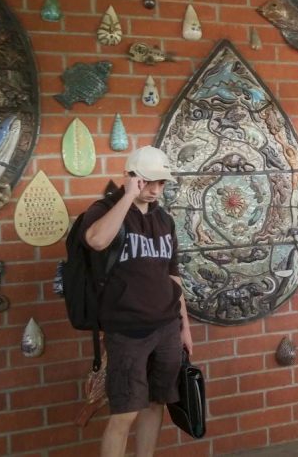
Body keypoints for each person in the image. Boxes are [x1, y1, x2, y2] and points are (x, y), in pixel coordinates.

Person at [79, 146, 193, 457]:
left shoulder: (164, 220)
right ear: (131, 178)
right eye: (149, 181)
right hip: (127, 330)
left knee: (156, 403)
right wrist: (128, 196)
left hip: (167, 327)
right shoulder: (104, 210)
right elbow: (97, 240)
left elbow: (173, 275)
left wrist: (184, 326)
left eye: (162, 183)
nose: (156, 189)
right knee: (124, 412)